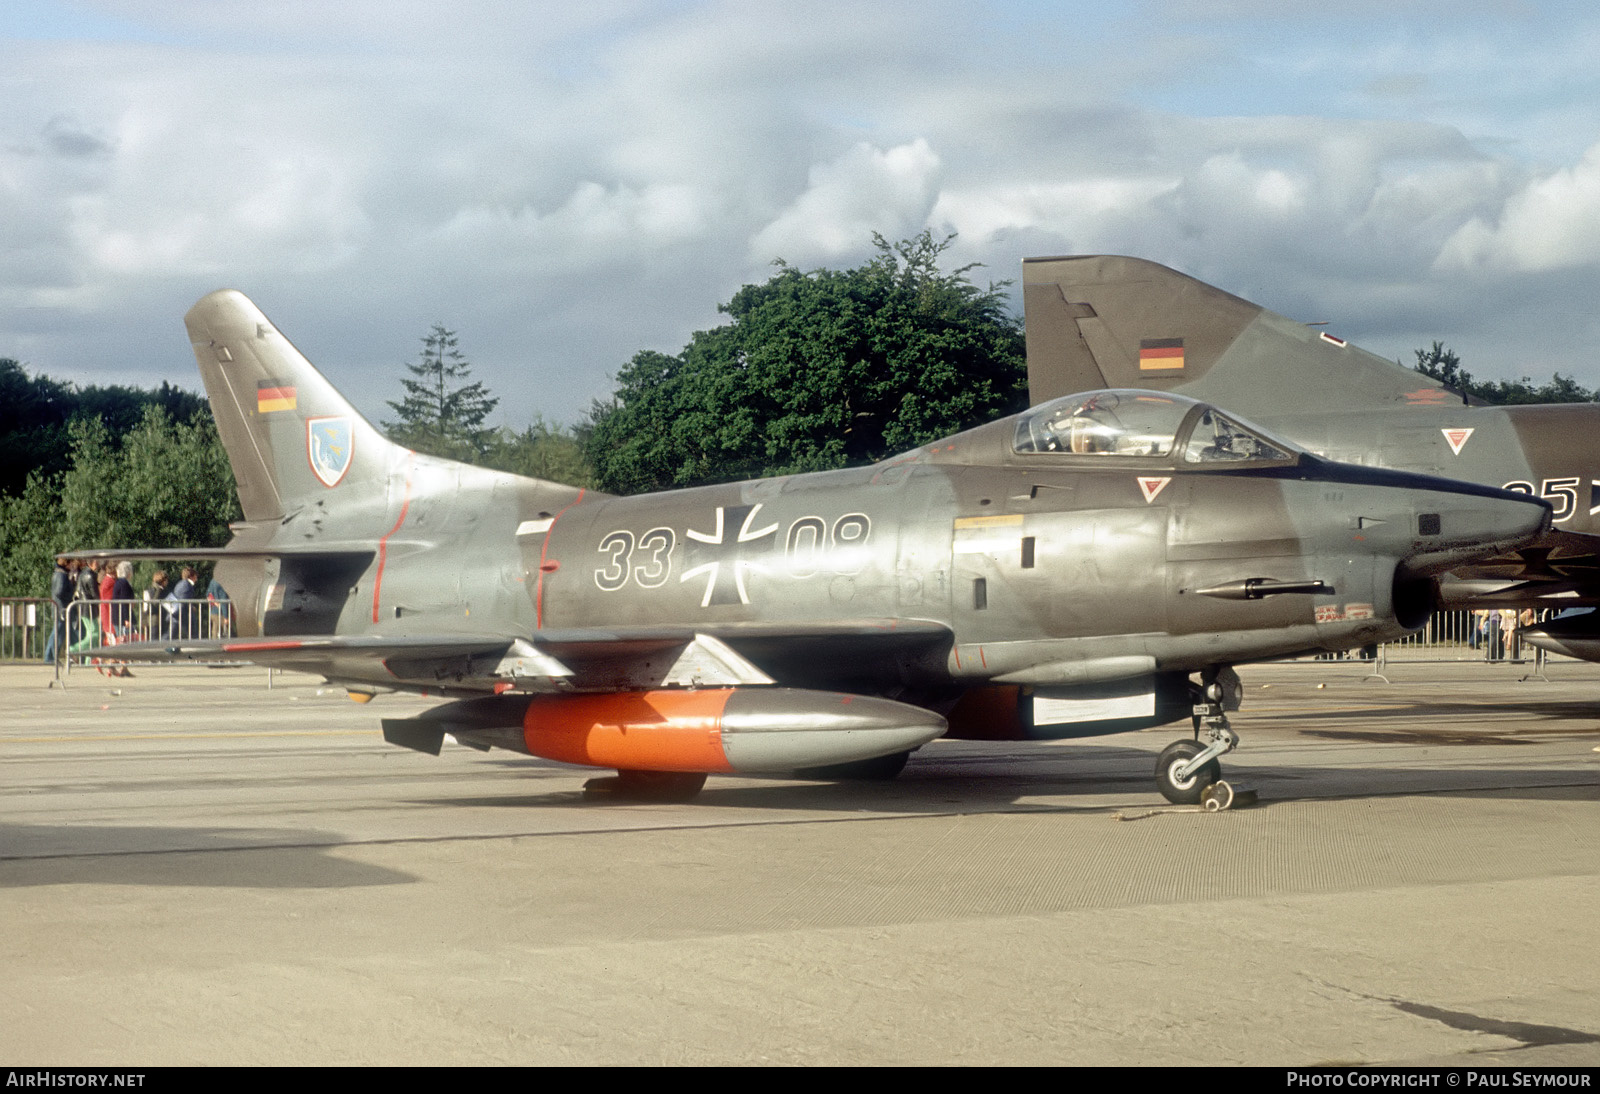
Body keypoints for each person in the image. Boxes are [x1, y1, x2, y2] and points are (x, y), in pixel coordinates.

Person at [42, 556, 73, 665]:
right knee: (57, 633)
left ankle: (51, 656)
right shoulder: (62, 575)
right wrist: (70, 595)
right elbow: (59, 592)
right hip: (61, 608)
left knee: (58, 633)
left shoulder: (58, 573)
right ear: (66, 563)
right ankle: (49, 656)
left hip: (59, 607)